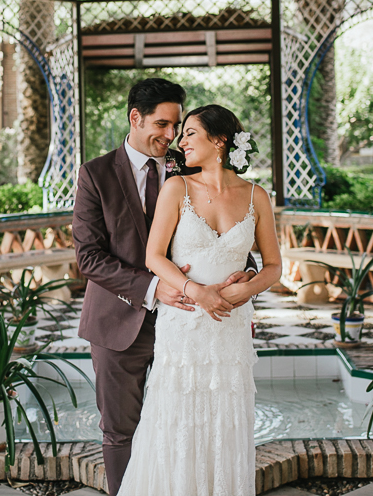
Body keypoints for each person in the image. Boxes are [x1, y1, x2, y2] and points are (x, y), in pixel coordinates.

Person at [73, 80, 258, 496]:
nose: (172, 135)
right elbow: (89, 258)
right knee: (120, 431)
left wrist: (244, 272)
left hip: (193, 327)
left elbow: (222, 230)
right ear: (134, 118)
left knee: (190, 425)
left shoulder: (190, 164)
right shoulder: (96, 174)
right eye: (162, 124)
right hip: (119, 323)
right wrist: (154, 287)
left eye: (177, 125)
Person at [116, 104, 282, 496]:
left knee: (226, 419)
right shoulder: (177, 188)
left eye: (190, 133)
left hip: (231, 329)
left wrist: (248, 287)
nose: (180, 140)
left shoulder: (256, 196)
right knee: (177, 419)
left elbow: (274, 266)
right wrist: (197, 291)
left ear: (219, 141)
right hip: (185, 322)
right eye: (181, 133)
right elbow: (153, 256)